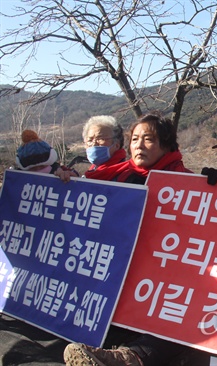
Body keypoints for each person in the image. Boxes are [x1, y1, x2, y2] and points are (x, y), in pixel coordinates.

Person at [64, 111, 203, 366]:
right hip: (117, 282)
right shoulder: (115, 177)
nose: (139, 145)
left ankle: (127, 359)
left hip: (165, 284)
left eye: (148, 139)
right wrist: (66, 185)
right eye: (135, 139)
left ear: (167, 145)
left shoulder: (191, 185)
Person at [56, 115, 127, 182]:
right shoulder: (93, 172)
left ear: (117, 145)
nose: (94, 144)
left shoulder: (128, 175)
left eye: (101, 139)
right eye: (90, 140)